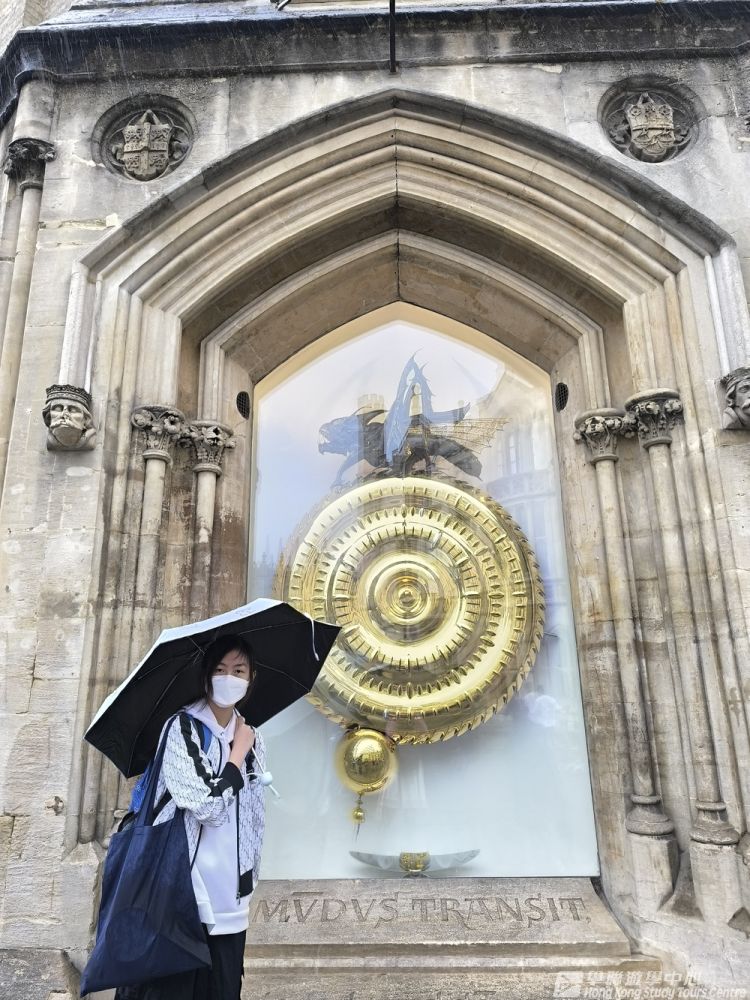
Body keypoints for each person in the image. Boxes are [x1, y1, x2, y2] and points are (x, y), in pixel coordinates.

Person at [114, 634, 266, 1000]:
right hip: (183, 892)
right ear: (206, 676)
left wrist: (247, 880)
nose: (229, 678)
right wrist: (236, 758)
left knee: (223, 990)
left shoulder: (251, 737)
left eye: (239, 670)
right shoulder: (182, 728)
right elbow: (208, 808)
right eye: (220, 669)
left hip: (230, 898)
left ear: (251, 678)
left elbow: (254, 817)